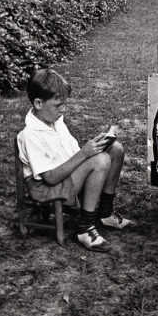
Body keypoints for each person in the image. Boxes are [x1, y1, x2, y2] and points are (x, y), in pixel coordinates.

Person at [17, 68, 131, 252]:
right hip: (49, 189)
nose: (63, 109)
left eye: (64, 104)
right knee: (100, 161)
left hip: (65, 177)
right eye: (57, 105)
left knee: (115, 150)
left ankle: (105, 213)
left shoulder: (55, 121)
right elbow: (50, 178)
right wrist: (85, 154)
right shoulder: (30, 135)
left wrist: (95, 146)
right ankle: (85, 228)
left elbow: (72, 155)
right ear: (38, 103)